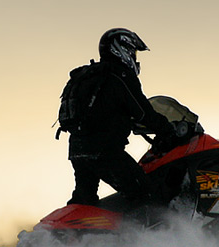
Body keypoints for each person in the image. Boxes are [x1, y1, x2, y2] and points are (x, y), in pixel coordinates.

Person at [64, 28, 173, 207]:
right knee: (144, 194)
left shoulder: (92, 75)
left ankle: (71, 233)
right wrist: (168, 128)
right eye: (134, 52)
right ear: (121, 49)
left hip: (78, 149)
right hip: (105, 151)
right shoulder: (120, 75)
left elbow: (110, 112)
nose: (135, 57)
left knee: (84, 200)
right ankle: (143, 235)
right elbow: (143, 112)